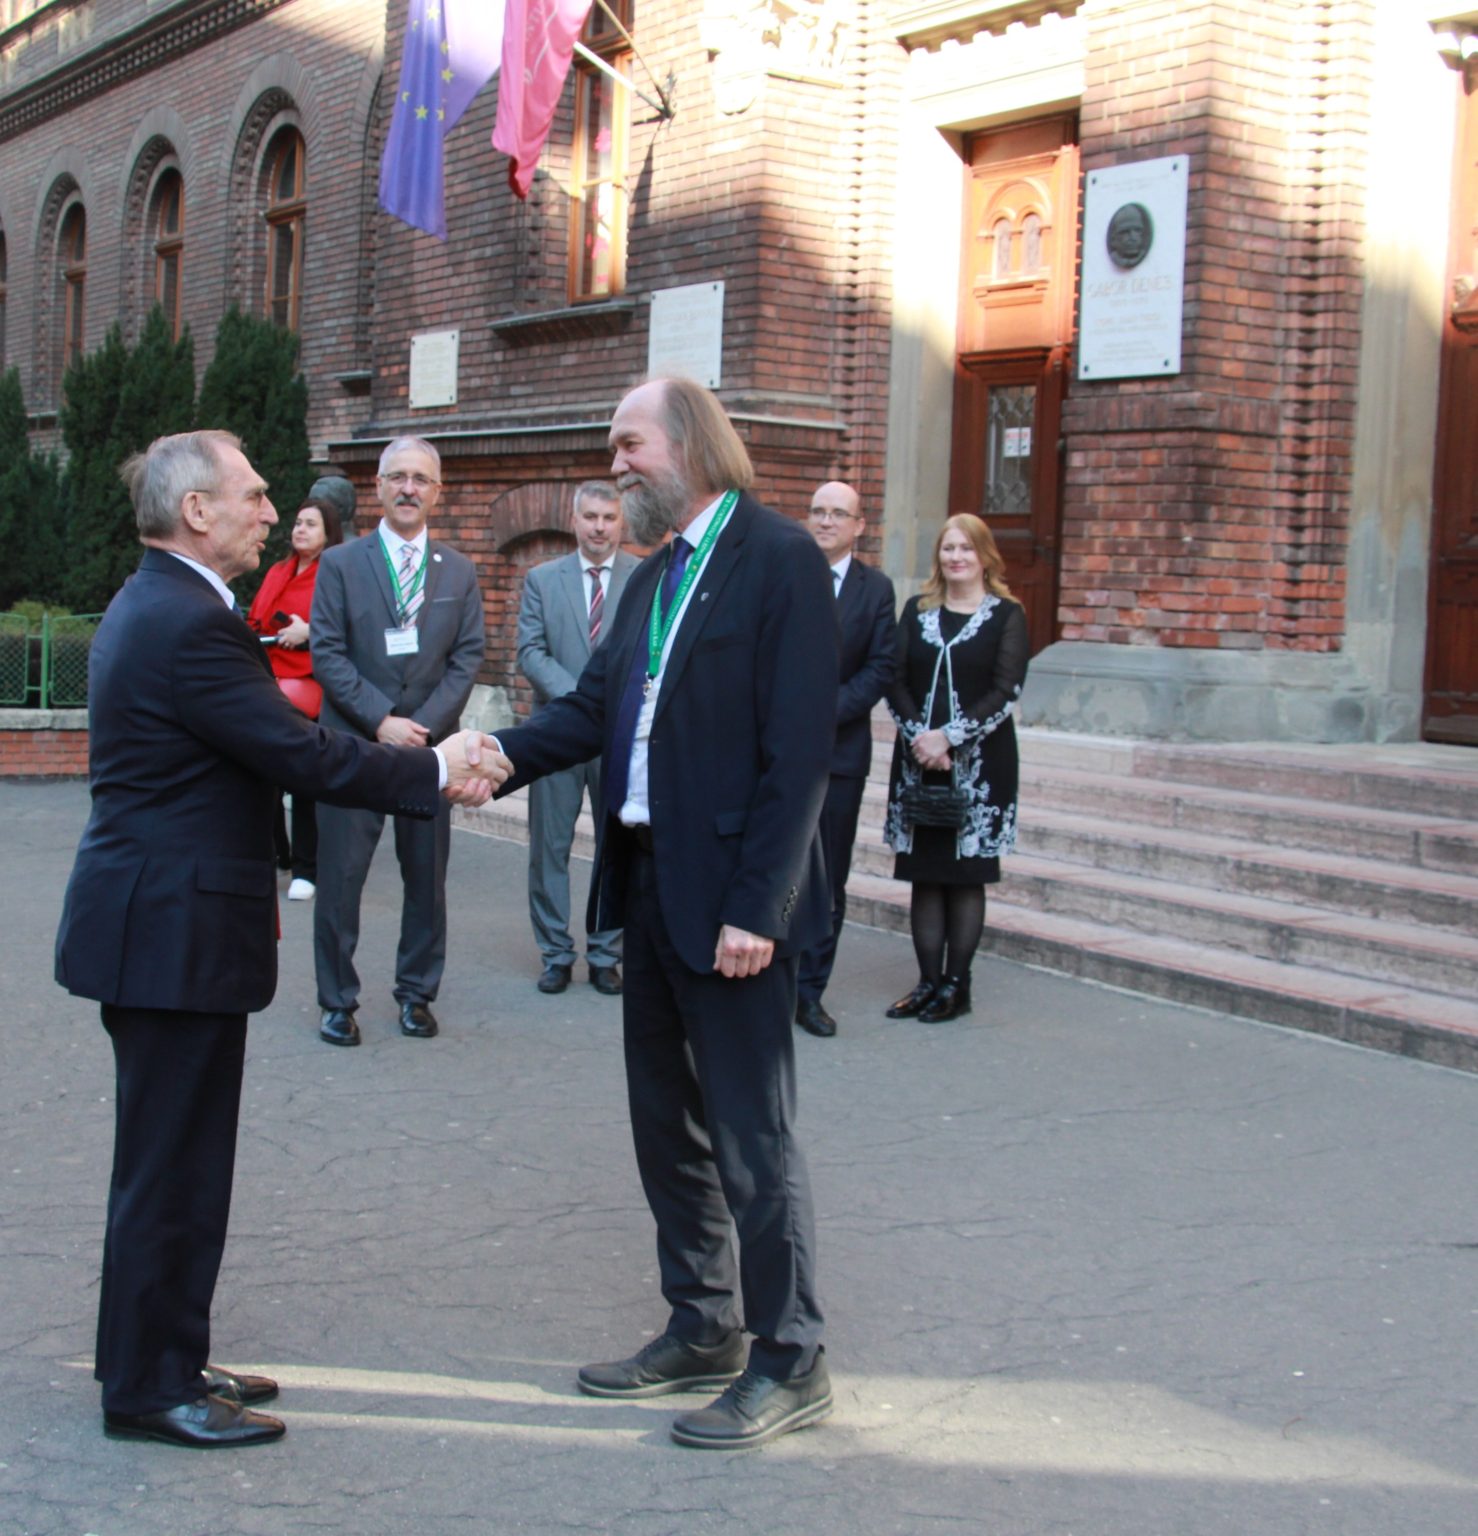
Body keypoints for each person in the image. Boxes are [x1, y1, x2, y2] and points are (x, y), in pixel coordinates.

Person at [53, 430, 503, 1450]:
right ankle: (148, 1390)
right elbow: (298, 753)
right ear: (196, 511)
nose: (271, 511)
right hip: (169, 934)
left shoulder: (170, 604)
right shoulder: (188, 621)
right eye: (253, 495)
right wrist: (438, 769)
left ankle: (163, 1357)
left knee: (174, 1164)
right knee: (171, 1172)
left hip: (163, 928)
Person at [493, 377, 839, 1450]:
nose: (615, 464)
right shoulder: (652, 578)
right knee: (666, 1127)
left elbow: (800, 755)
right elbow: (592, 712)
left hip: (733, 906)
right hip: (644, 889)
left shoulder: (778, 560)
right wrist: (493, 756)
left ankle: (791, 1358)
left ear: (686, 443)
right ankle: (703, 1325)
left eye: (627, 443)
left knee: (751, 1137)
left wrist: (761, 907)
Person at [310, 436, 486, 1048]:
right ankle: (337, 1002)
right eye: (398, 477)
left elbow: (466, 659)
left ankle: (416, 993)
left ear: (437, 492)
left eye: (420, 479)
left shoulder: (459, 571)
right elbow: (326, 652)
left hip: (429, 755)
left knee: (426, 879)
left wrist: (425, 730)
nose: (409, 488)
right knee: (341, 878)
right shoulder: (340, 564)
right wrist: (381, 720)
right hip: (354, 746)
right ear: (379, 486)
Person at [882, 513, 1028, 1024]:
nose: (957, 557)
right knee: (925, 873)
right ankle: (927, 983)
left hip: (981, 766)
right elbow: (894, 678)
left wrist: (949, 737)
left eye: (966, 548)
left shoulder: (1007, 616)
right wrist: (921, 738)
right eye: (948, 548)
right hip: (919, 763)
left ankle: (956, 986)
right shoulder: (917, 610)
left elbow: (1006, 689)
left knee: (966, 876)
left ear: (985, 557)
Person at [516, 480, 638, 995]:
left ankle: (607, 954)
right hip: (557, 736)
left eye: (609, 518)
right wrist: (582, 703)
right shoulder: (542, 580)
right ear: (574, 520)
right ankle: (556, 953)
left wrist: (608, 710)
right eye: (590, 517)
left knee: (618, 848)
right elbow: (531, 651)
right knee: (549, 847)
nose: (599, 527)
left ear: (621, 522)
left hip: (621, 739)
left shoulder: (644, 578)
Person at [794, 480, 896, 1038]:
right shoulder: (785, 575)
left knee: (828, 878)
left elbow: (881, 668)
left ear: (859, 526)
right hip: (777, 752)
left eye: (838, 513)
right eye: (818, 511)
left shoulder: (875, 590)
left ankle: (810, 992)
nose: (825, 521)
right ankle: (769, 982)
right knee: (775, 868)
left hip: (840, 755)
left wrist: (822, 712)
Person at [246, 495, 344, 900]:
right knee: (259, 771)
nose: (300, 530)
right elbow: (256, 619)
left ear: (329, 533)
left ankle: (307, 867)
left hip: (310, 683)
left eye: (311, 524)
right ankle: (276, 852)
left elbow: (348, 630)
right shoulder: (278, 571)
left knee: (304, 778)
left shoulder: (334, 574)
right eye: (299, 522)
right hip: (268, 679)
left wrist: (310, 633)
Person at [308, 473, 359, 538]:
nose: (310, 509)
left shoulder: (355, 544)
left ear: (341, 508)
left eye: (318, 503)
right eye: (310, 503)